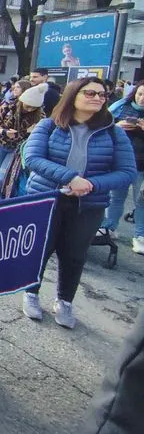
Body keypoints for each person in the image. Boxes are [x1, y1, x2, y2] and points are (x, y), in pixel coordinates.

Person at [23, 78, 136, 329]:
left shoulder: (113, 132)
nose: (98, 97)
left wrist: (90, 184)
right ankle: (31, 292)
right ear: (73, 95)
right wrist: (70, 178)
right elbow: (32, 158)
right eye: (90, 93)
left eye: (103, 94)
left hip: (89, 205)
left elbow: (127, 171)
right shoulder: (49, 125)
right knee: (40, 249)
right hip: (46, 199)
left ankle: (65, 300)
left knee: (74, 255)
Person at [98, 81, 144, 254]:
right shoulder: (119, 107)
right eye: (139, 93)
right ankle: (110, 227)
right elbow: (101, 127)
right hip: (121, 162)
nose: (142, 98)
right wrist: (116, 126)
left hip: (142, 165)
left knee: (142, 201)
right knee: (116, 197)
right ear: (134, 93)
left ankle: (140, 236)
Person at [0, 81, 43, 202]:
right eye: (28, 106)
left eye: (34, 107)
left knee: (0, 179)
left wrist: (28, 133)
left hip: (16, 149)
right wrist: (4, 132)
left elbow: (37, 135)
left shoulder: (39, 115)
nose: (30, 109)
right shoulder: (6, 108)